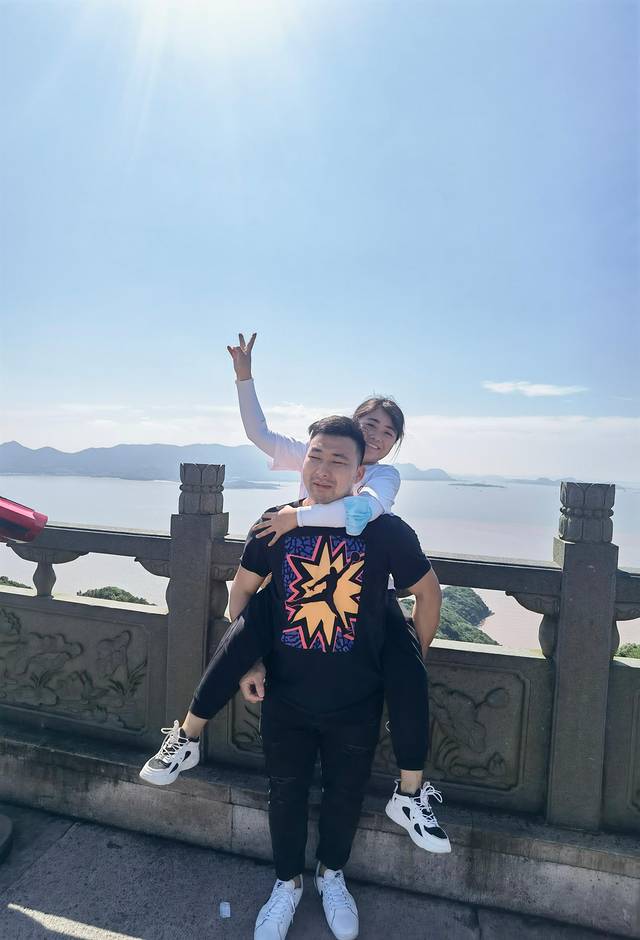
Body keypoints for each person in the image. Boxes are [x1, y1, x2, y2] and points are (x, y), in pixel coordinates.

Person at [141, 333, 451, 857]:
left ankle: (410, 793)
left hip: (367, 607)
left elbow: (362, 514)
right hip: (298, 610)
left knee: (409, 674)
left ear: (376, 456)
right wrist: (244, 377)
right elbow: (258, 433)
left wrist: (296, 518)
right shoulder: (324, 456)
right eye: (368, 422)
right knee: (254, 616)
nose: (376, 434)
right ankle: (188, 736)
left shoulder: (380, 481)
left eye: (387, 430)